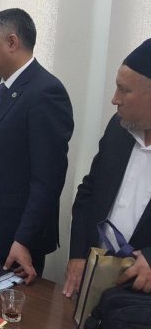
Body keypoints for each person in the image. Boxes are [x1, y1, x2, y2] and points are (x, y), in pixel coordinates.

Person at [0, 8, 74, 284]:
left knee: (10, 309)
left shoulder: (45, 92)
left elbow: (48, 179)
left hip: (14, 240)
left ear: (12, 42)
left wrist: (24, 239)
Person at [63, 38, 151, 297]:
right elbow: (88, 191)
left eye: (124, 90)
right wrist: (78, 255)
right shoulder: (118, 128)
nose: (114, 99)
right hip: (94, 280)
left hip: (140, 296)